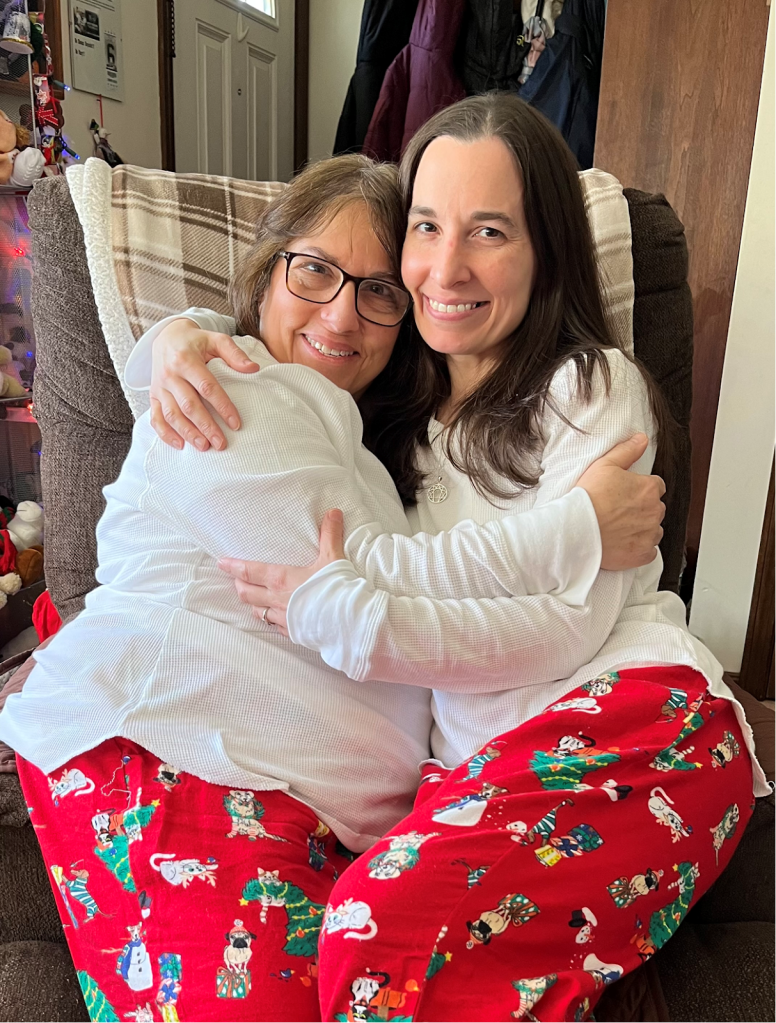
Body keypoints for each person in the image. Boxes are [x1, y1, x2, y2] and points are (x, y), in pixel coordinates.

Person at [140, 95, 766, 1023]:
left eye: (489, 231)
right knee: (360, 961)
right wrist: (174, 338)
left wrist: (354, 612)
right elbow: (282, 326)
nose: (446, 266)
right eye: (426, 228)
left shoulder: (591, 385)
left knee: (371, 944)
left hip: (640, 720)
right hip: (479, 780)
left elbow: (566, 627)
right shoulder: (389, 426)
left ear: (545, 249)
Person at [0, 150, 663, 1023]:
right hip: (178, 754)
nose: (343, 312)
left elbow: (386, 597)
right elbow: (350, 583)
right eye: (314, 270)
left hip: (316, 826)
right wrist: (578, 530)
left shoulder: (379, 456)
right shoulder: (227, 388)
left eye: (381, 291)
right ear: (266, 272)